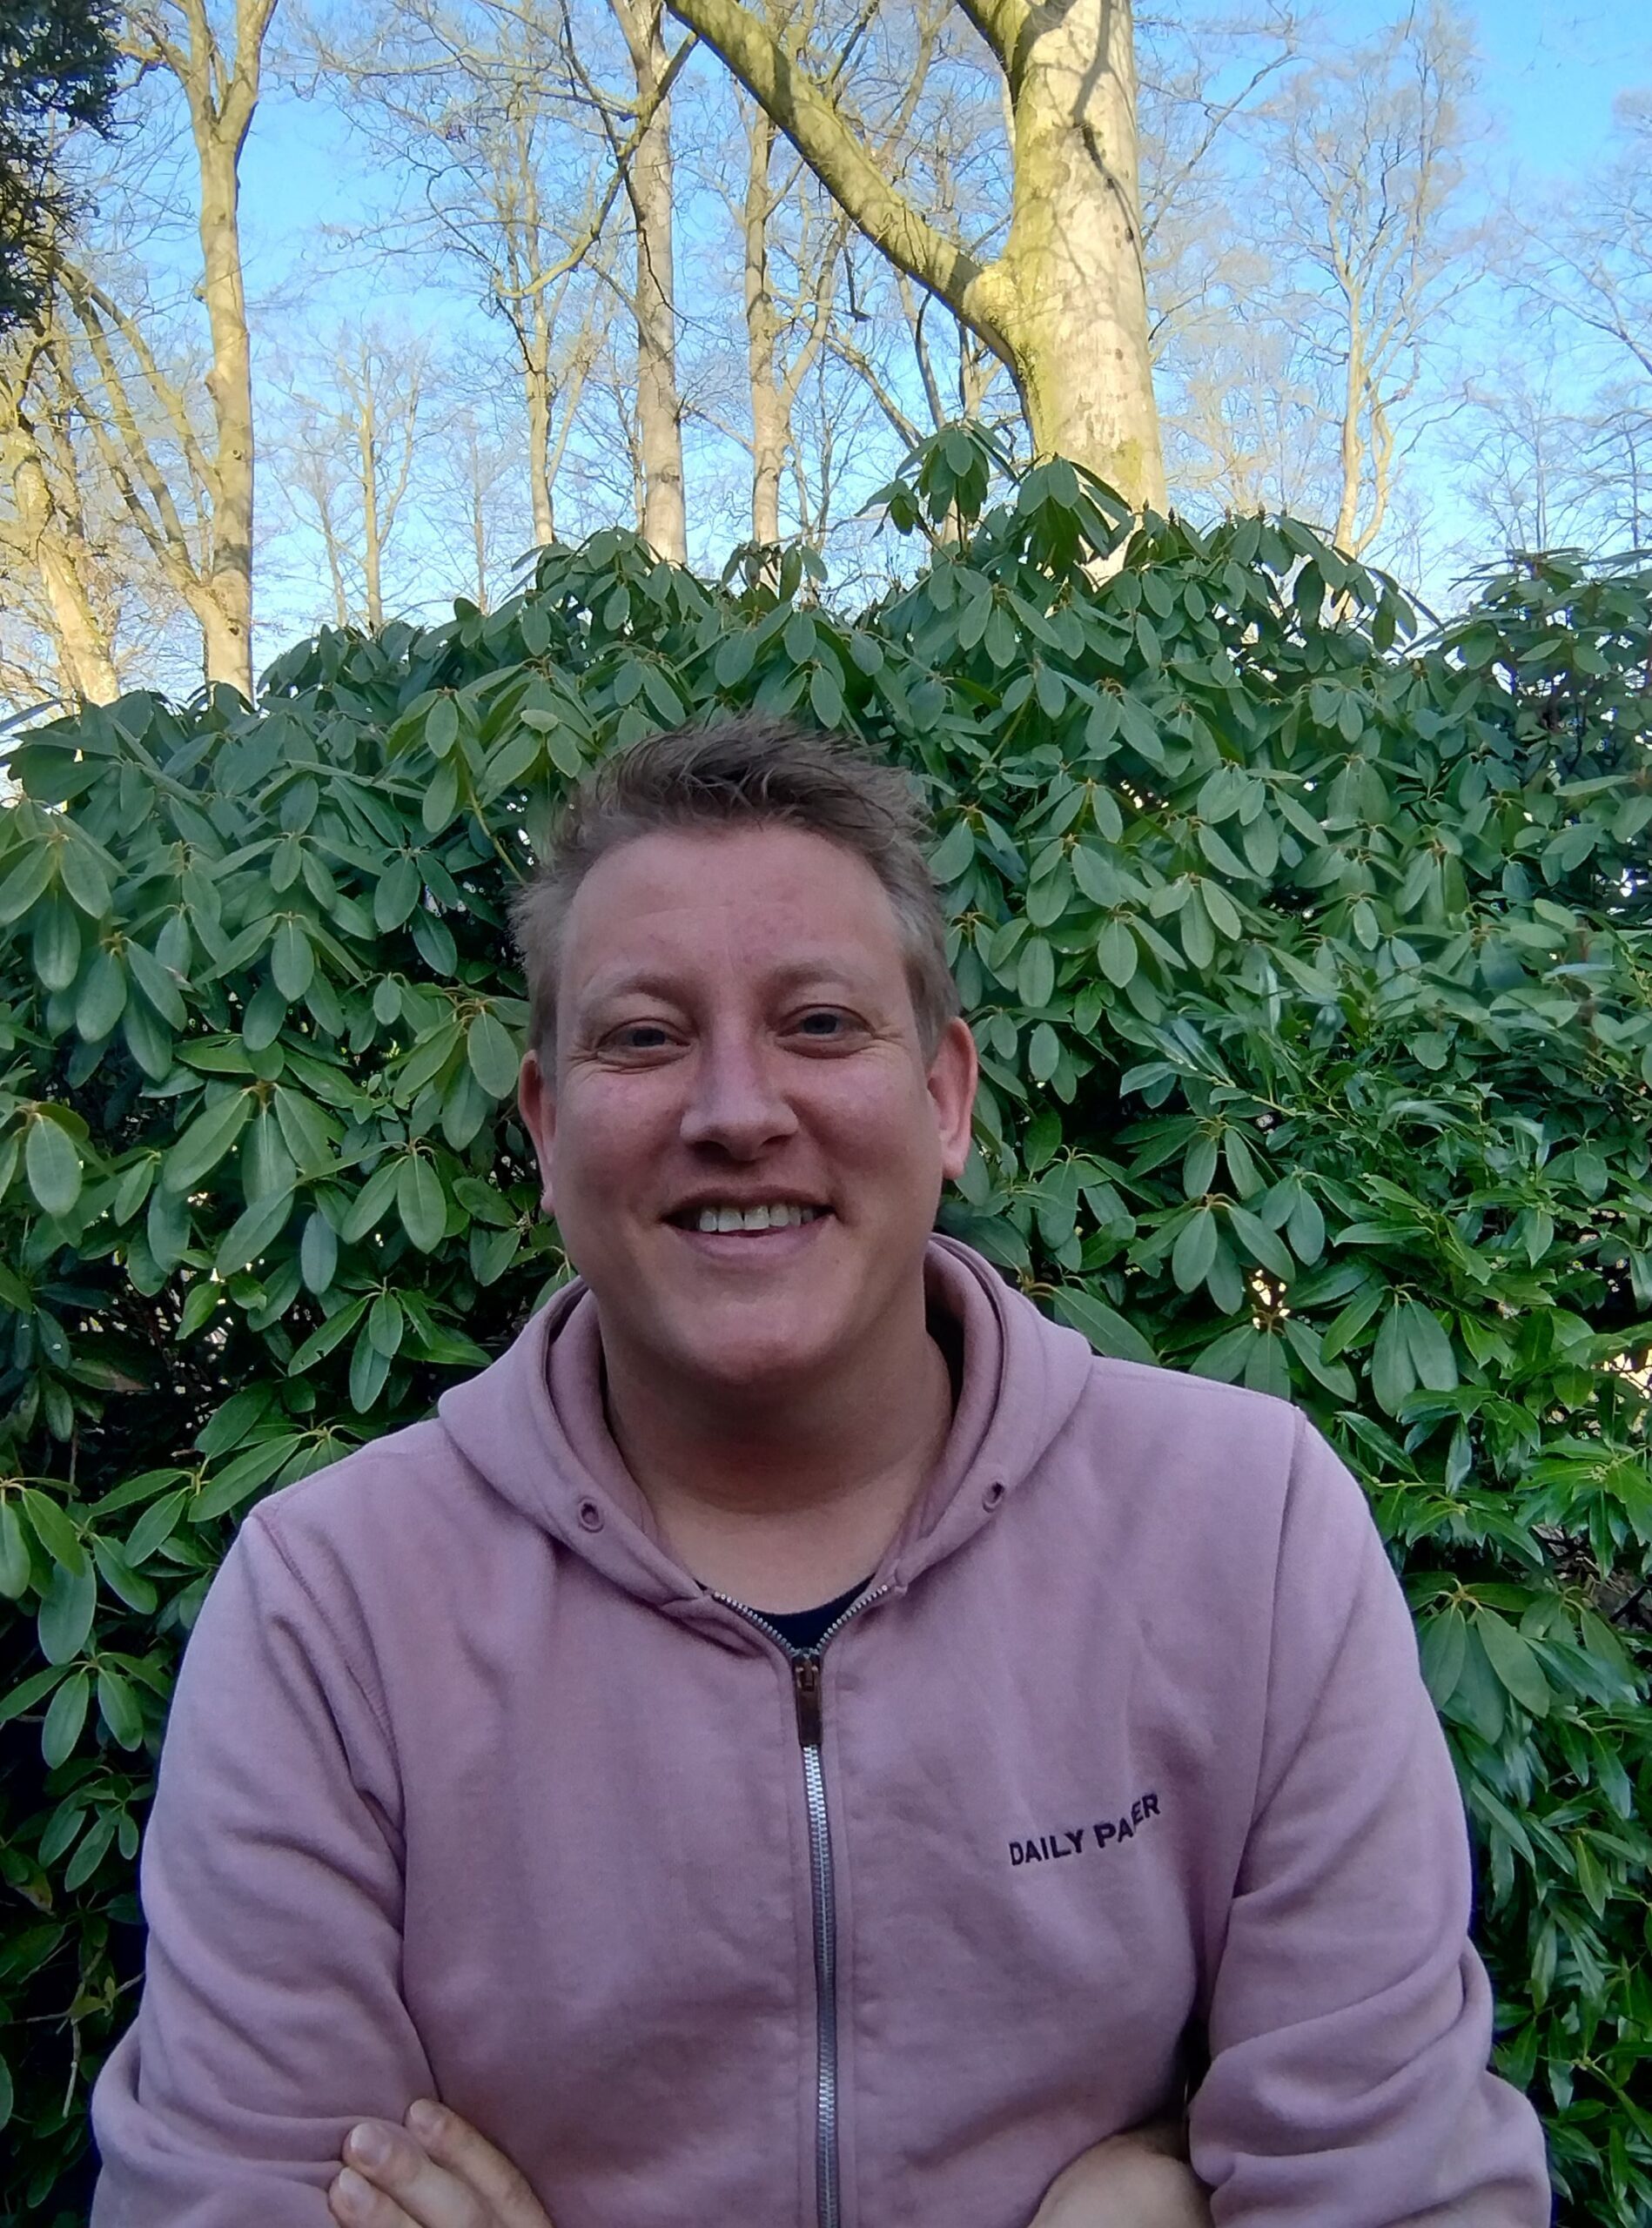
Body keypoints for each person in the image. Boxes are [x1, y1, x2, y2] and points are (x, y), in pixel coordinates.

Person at [89, 718, 1550, 2228]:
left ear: (946, 1100)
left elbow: (1397, 2188)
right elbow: (228, 2195)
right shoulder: (332, 1605)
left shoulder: (1245, 1527)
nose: (735, 1111)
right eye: (643, 1038)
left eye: (821, 1023)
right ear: (546, 1127)